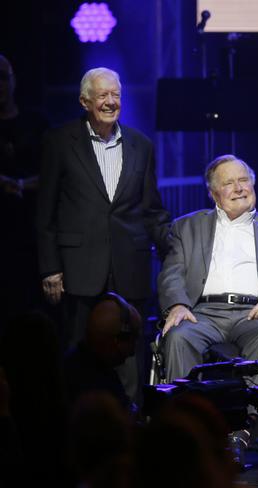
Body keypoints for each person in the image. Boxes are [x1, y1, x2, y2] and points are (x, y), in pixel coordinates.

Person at [36, 67, 171, 401]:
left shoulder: (142, 145)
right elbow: (45, 213)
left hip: (130, 267)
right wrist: (50, 267)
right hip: (78, 270)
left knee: (128, 360)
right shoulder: (59, 142)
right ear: (85, 101)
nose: (111, 102)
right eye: (102, 95)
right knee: (77, 354)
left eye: (116, 95)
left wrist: (177, 252)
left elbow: (152, 210)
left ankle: (129, 431)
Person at [158, 154, 258, 383]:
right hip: (201, 314)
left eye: (244, 180)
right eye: (228, 183)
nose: (239, 188)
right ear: (213, 194)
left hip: (255, 315)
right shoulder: (187, 227)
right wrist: (178, 304)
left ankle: (257, 417)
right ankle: (185, 415)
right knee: (179, 337)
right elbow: (172, 273)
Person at [0, 54, 49, 321]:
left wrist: (21, 185)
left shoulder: (36, 122)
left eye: (3, 77)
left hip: (31, 236)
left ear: (13, 80)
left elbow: (55, 173)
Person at [64, 293, 142, 410]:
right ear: (116, 341)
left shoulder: (69, 365)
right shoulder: (102, 385)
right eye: (132, 340)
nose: (132, 351)